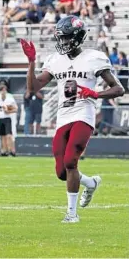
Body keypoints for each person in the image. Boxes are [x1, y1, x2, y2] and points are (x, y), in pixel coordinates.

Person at [20, 15, 124, 223]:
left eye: (66, 38)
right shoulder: (54, 60)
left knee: (70, 161)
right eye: (61, 38)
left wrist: (95, 94)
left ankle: (72, 214)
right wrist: (31, 61)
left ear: (77, 37)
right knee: (61, 172)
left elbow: (118, 89)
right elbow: (33, 88)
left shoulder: (94, 57)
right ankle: (91, 183)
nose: (63, 42)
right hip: (63, 116)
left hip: (84, 115)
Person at [0, 85, 17, 156]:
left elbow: (15, 109)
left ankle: (12, 150)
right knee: (2, 136)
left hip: (7, 118)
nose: (3, 92)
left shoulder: (10, 100)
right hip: (0, 118)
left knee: (9, 135)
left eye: (4, 90)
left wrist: (9, 111)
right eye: (2, 90)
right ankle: (4, 151)